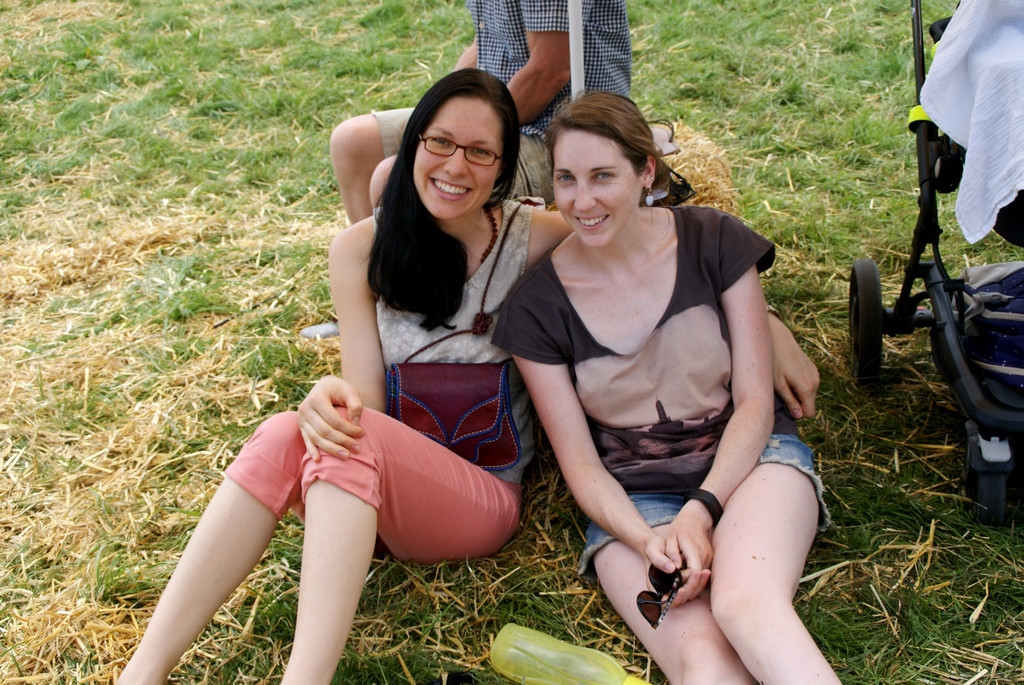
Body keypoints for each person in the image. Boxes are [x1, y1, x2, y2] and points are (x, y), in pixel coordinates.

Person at [117, 69, 571, 685]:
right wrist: (328, 401)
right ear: (412, 144)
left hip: (481, 497)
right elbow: (364, 396)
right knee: (288, 430)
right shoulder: (360, 249)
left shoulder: (534, 237)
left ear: (502, 167)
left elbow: (623, 233)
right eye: (439, 142)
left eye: (480, 152)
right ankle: (142, 673)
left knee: (351, 437)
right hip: (375, 499)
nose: (455, 166)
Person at [492, 91, 840, 684]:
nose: (582, 200)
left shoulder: (715, 241)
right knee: (702, 662)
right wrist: (646, 541)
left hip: (751, 465)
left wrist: (702, 510)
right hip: (634, 505)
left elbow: (756, 402)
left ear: (646, 171)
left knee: (744, 604)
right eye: (567, 179)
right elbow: (582, 466)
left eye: (604, 176)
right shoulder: (535, 308)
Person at [328, 0, 632, 224]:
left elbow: (550, 70)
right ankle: (374, 272)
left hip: (558, 131)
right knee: (354, 140)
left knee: (392, 177)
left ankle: (412, 288)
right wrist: (441, 112)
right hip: (494, 109)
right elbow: (482, 43)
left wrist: (467, 133)